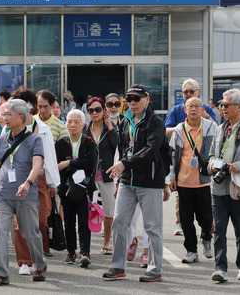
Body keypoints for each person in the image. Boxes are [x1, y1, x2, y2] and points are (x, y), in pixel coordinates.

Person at [104, 84, 170, 283]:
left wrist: (125, 164)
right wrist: (118, 180)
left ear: (147, 100)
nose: (132, 103)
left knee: (152, 227)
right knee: (119, 223)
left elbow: (151, 150)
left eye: (136, 99)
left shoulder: (156, 122)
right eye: (129, 99)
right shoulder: (125, 121)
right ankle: (117, 266)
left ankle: (154, 269)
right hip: (126, 181)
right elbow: (124, 150)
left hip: (149, 182)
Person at [0, 98, 47, 286]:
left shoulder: (34, 140)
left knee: (31, 233)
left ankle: (39, 266)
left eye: (7, 114)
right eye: (3, 114)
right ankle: (1, 273)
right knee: (0, 234)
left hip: (26, 196)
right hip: (3, 196)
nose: (3, 117)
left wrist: (28, 183)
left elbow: (38, 164)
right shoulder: (1, 140)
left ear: (21, 117)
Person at [207, 89, 240, 282]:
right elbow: (212, 155)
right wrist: (213, 164)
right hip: (219, 187)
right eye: (221, 105)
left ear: (239, 107)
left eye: (225, 105)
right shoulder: (220, 128)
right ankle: (220, 269)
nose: (222, 108)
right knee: (219, 229)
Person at [10, 88, 58, 276]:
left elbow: (51, 158)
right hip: (17, 180)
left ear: (31, 107)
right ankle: (24, 261)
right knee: (18, 223)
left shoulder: (42, 129)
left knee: (40, 220)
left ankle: (38, 257)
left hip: (40, 180)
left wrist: (53, 184)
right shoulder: (9, 128)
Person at [165, 79, 217, 236]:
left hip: (204, 163)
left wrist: (204, 116)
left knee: (205, 203)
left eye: (191, 91)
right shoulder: (176, 110)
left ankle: (207, 229)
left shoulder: (206, 109)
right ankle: (180, 223)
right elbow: (166, 131)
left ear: (198, 92)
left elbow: (217, 129)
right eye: (185, 92)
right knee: (182, 197)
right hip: (184, 161)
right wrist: (184, 129)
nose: (188, 94)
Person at [168, 97, 215, 264]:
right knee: (186, 219)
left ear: (202, 109)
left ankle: (207, 238)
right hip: (183, 181)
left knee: (206, 217)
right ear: (185, 110)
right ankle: (191, 251)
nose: (193, 109)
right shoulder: (179, 129)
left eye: (197, 106)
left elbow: (216, 151)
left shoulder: (211, 127)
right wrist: (172, 177)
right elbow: (173, 156)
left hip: (205, 181)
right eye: (190, 106)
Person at [56, 109, 97, 266]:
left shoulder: (89, 143)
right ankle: (71, 251)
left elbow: (91, 163)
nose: (72, 125)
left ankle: (85, 252)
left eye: (76, 122)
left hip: (84, 189)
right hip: (66, 189)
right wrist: (75, 164)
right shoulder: (60, 144)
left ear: (83, 124)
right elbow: (57, 166)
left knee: (84, 222)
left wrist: (70, 163)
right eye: (69, 122)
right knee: (69, 221)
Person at [83, 97, 118, 255]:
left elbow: (117, 145)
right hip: (88, 176)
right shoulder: (84, 129)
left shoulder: (110, 128)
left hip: (107, 175)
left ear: (104, 110)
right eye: (91, 110)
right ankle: (86, 247)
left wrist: (109, 124)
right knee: (86, 210)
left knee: (109, 211)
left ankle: (106, 242)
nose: (94, 113)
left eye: (98, 109)